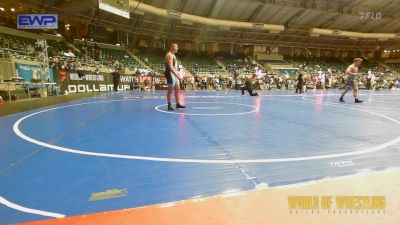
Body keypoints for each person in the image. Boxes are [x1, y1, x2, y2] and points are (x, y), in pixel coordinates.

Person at [165, 43, 185, 110]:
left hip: (174, 73)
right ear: (171, 47)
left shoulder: (173, 55)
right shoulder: (169, 55)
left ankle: (178, 104)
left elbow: (175, 67)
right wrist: (177, 75)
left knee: (177, 89)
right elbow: (170, 67)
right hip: (170, 73)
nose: (177, 48)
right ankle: (169, 105)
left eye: (177, 47)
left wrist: (178, 74)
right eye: (175, 47)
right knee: (170, 90)